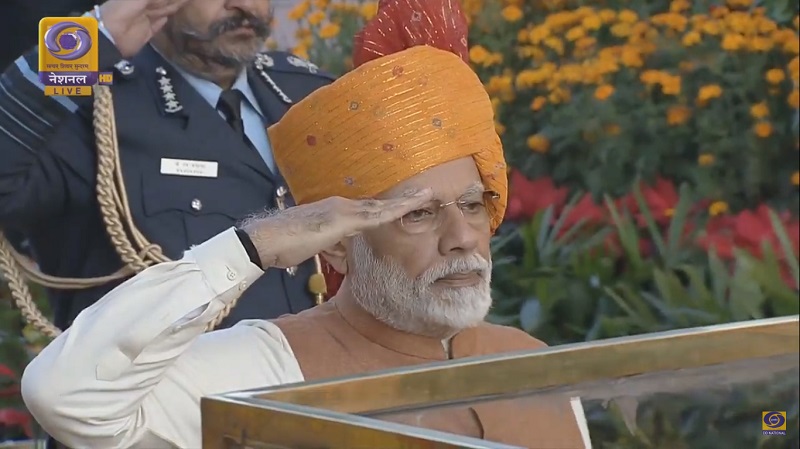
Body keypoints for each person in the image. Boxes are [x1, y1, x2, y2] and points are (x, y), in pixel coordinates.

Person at [21, 0, 593, 448]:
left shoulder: (304, 92)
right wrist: (86, 42)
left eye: (472, 206)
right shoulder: (101, 100)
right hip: (202, 396)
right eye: (418, 212)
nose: (247, 5)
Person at [0, 0, 335, 333]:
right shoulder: (89, 104)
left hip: (312, 373)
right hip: (169, 382)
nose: (244, 5)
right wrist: (92, 39)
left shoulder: (302, 88)